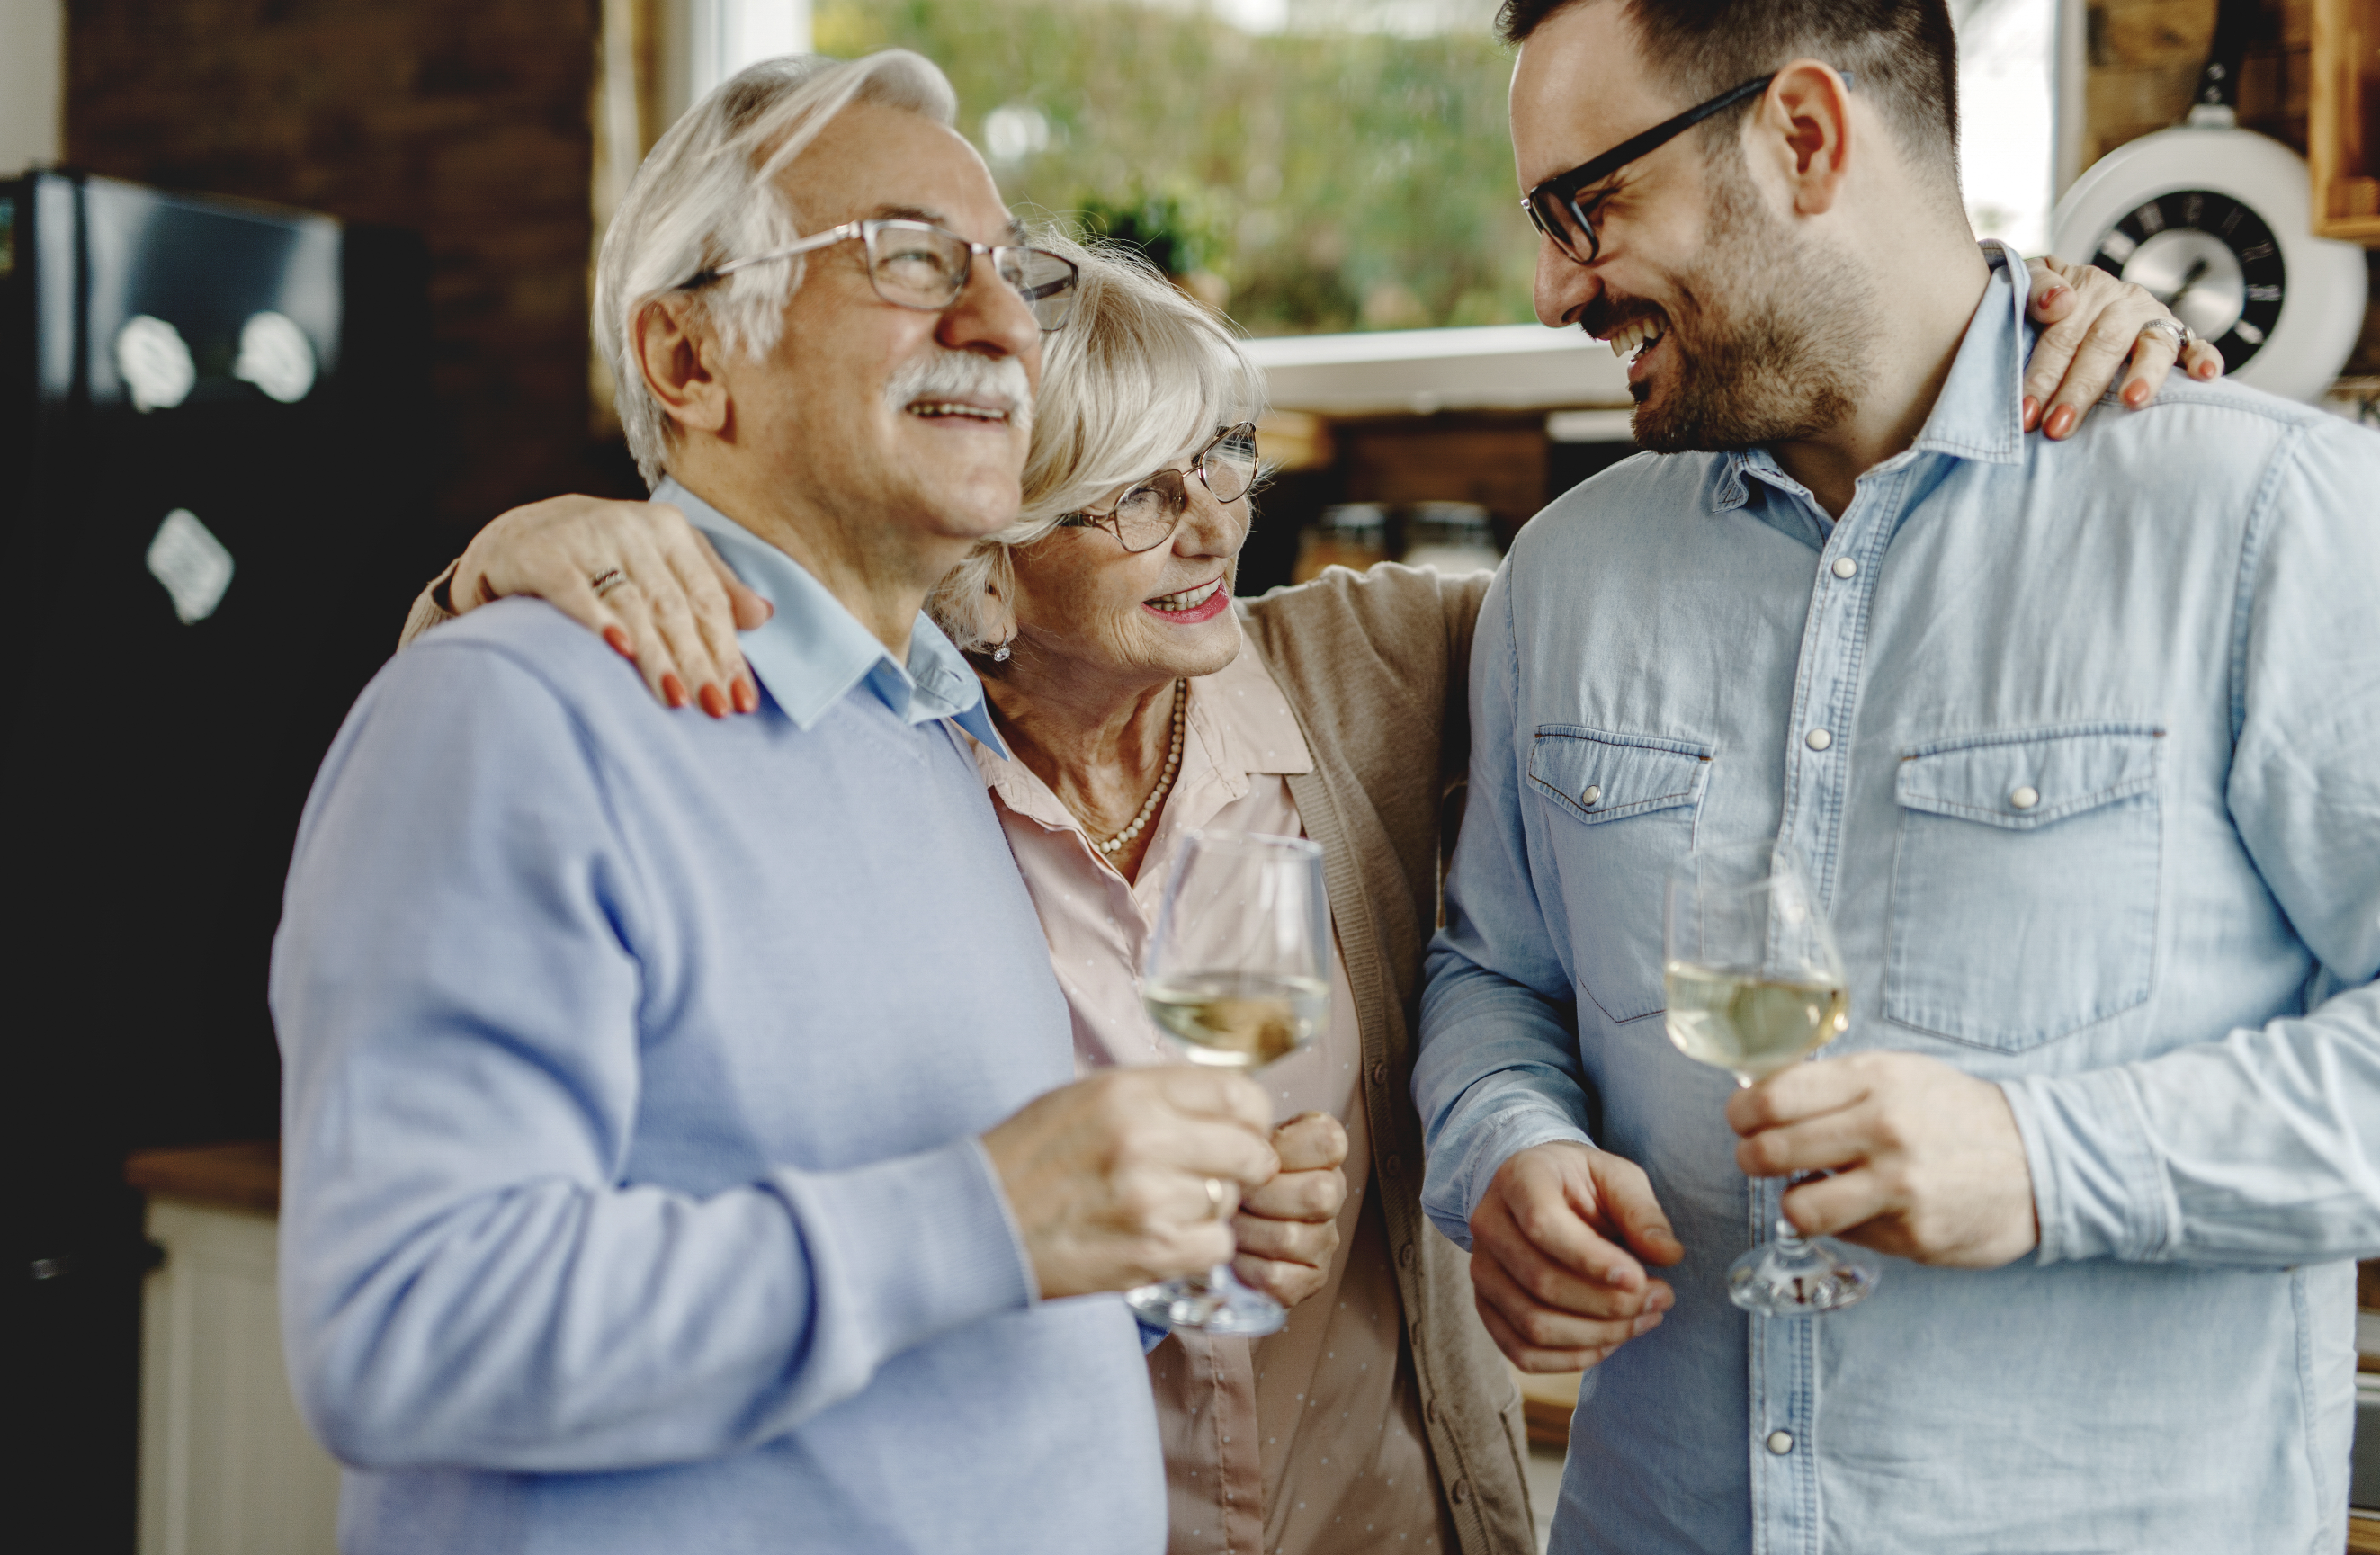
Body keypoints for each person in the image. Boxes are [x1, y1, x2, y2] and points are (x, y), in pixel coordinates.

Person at [405, 225, 2202, 1554]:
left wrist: (1997, 313)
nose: (1214, 523)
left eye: (1229, 456)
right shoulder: (850, 765)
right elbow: (509, 779)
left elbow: (1718, 624)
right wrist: (506, 558)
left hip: (1385, 1523)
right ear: (982, 531)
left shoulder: (1383, 671)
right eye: (1130, 491)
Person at [271, 51, 1295, 1555]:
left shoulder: (929, 738)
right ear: (689, 361)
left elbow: (916, 1284)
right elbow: (403, 1328)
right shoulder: (504, 715)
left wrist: (1139, 1246)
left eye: (1006, 271)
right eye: (907, 258)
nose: (1003, 320)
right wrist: (994, 1216)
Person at [1412, 0, 2380, 1551]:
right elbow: (1492, 975)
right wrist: (1503, 1143)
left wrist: (2047, 1162)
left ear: (1800, 136)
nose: (1548, 288)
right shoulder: (1565, 574)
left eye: (1586, 206)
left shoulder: (2268, 523)